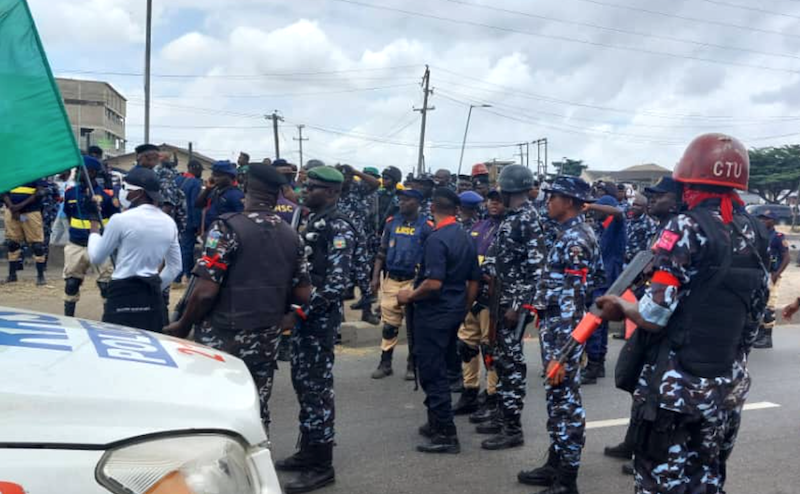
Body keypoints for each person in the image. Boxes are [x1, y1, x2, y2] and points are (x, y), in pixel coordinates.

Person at [596, 133, 769, 494]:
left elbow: (655, 313)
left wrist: (622, 306)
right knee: (708, 479)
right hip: (727, 387)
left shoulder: (685, 227)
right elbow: (754, 316)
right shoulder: (754, 231)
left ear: (688, 181)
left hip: (676, 390)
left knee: (661, 483)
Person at [164, 163, 310, 435]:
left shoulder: (226, 228)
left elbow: (206, 292)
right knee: (255, 406)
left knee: (215, 407)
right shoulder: (293, 236)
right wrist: (287, 319)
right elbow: (303, 294)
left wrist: (184, 324)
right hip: (266, 336)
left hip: (223, 336)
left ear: (245, 188)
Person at [517, 176, 600, 494]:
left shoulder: (576, 238)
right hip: (555, 326)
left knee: (565, 401)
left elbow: (574, 301)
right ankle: (555, 463)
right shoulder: (567, 233)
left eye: (554, 197)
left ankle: (567, 479)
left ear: (569, 201)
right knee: (556, 399)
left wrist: (564, 353)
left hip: (565, 331)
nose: (548, 201)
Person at [275, 166, 355, 493]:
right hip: (305, 319)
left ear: (333, 192)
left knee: (317, 390)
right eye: (306, 186)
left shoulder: (339, 226)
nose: (307, 191)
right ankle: (308, 450)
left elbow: (337, 284)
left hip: (318, 321)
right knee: (303, 384)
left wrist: (298, 314)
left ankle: (322, 465)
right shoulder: (313, 220)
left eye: (315, 187)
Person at [604, 176, 683, 475]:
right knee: (636, 381)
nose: (652, 199)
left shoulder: (681, 231)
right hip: (648, 312)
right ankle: (632, 441)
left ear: (675, 200)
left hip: (664, 321)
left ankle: (644, 451)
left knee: (653, 391)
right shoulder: (665, 230)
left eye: (659, 195)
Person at [398, 187, 481, 455]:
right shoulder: (465, 236)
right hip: (452, 312)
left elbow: (433, 283)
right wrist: (461, 308)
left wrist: (409, 296)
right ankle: (436, 422)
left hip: (433, 315)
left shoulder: (437, 239)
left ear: (432, 208)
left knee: (433, 373)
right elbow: (474, 281)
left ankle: (445, 433)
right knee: (443, 369)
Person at [478, 165, 545, 450]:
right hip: (500, 296)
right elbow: (500, 257)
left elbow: (537, 270)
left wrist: (518, 307)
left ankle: (512, 428)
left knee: (512, 364)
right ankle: (501, 415)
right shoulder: (512, 218)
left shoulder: (528, 219)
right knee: (499, 359)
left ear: (508, 191)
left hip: (513, 305)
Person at [88, 167, 181, 332]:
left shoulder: (120, 220)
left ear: (139, 193)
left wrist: (94, 228)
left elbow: (96, 258)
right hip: (152, 294)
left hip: (122, 292)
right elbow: (175, 267)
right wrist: (156, 286)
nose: (122, 193)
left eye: (125, 188)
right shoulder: (169, 223)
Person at [369, 188, 434, 380]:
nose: (402, 203)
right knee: (389, 325)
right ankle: (385, 363)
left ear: (417, 203)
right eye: (401, 199)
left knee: (414, 327)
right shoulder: (392, 223)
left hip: (413, 282)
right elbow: (381, 252)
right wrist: (375, 277)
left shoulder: (426, 226)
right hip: (391, 281)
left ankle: (412, 365)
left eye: (407, 200)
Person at [453, 189, 504, 418]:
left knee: (490, 349)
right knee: (466, 345)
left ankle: (492, 396)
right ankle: (470, 391)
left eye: (499, 200)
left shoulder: (510, 229)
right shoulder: (478, 227)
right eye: (491, 199)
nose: (494, 203)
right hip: (471, 295)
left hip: (493, 300)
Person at [61, 157, 119, 316]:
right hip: (76, 245)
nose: (77, 173)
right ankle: (69, 318)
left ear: (91, 172)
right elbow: (68, 214)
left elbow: (115, 219)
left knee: (106, 285)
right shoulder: (70, 193)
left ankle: (108, 319)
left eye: (80, 170)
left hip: (101, 245)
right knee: (71, 283)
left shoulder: (106, 196)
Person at [581, 191, 625, 385]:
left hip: (607, 281)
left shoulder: (616, 224)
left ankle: (592, 366)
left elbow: (618, 212)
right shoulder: (601, 227)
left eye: (600, 208)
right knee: (601, 324)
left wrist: (591, 206)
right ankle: (598, 365)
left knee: (595, 324)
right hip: (600, 280)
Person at [336, 164, 380, 323]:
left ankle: (366, 312)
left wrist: (355, 172)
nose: (345, 180)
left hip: (359, 237)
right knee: (338, 274)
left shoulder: (357, 187)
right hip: (338, 238)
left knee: (363, 274)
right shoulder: (333, 189)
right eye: (343, 177)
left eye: (348, 177)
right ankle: (339, 316)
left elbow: (375, 184)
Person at [753, 210, 789, 349]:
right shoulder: (758, 235)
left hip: (771, 274)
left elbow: (786, 258)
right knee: (759, 304)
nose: (762, 221)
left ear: (773, 221)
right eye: (761, 218)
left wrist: (776, 274)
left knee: (769, 306)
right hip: (759, 274)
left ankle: (767, 337)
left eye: (766, 219)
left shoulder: (778, 237)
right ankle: (760, 334)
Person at [2, 178, 48, 284]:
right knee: (12, 243)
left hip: (31, 212)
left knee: (37, 245)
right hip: (12, 212)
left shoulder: (35, 173)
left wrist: (19, 206)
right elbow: (3, 191)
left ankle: (40, 276)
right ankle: (12, 275)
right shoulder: (11, 173)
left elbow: (40, 192)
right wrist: (12, 207)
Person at [196, 160, 245, 234]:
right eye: (213, 174)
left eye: (219, 175)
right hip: (210, 232)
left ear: (230, 176)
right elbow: (198, 204)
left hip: (225, 235)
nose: (215, 178)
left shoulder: (236, 195)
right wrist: (207, 189)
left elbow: (241, 220)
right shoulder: (214, 190)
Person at [174, 159, 204, 283]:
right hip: (188, 221)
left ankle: (176, 276)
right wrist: (197, 225)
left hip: (175, 219)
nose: (201, 173)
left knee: (176, 248)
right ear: (193, 168)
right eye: (199, 170)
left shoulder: (177, 180)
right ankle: (187, 275)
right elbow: (195, 205)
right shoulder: (195, 183)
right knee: (187, 249)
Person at [624, 193, 658, 266]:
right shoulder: (629, 221)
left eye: (638, 205)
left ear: (644, 208)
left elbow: (649, 247)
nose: (634, 207)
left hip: (637, 263)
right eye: (633, 204)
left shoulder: (649, 224)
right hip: (624, 261)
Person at [377, 166, 403, 233]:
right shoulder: (379, 194)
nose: (383, 180)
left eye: (386, 178)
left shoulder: (401, 197)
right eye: (382, 177)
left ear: (395, 180)